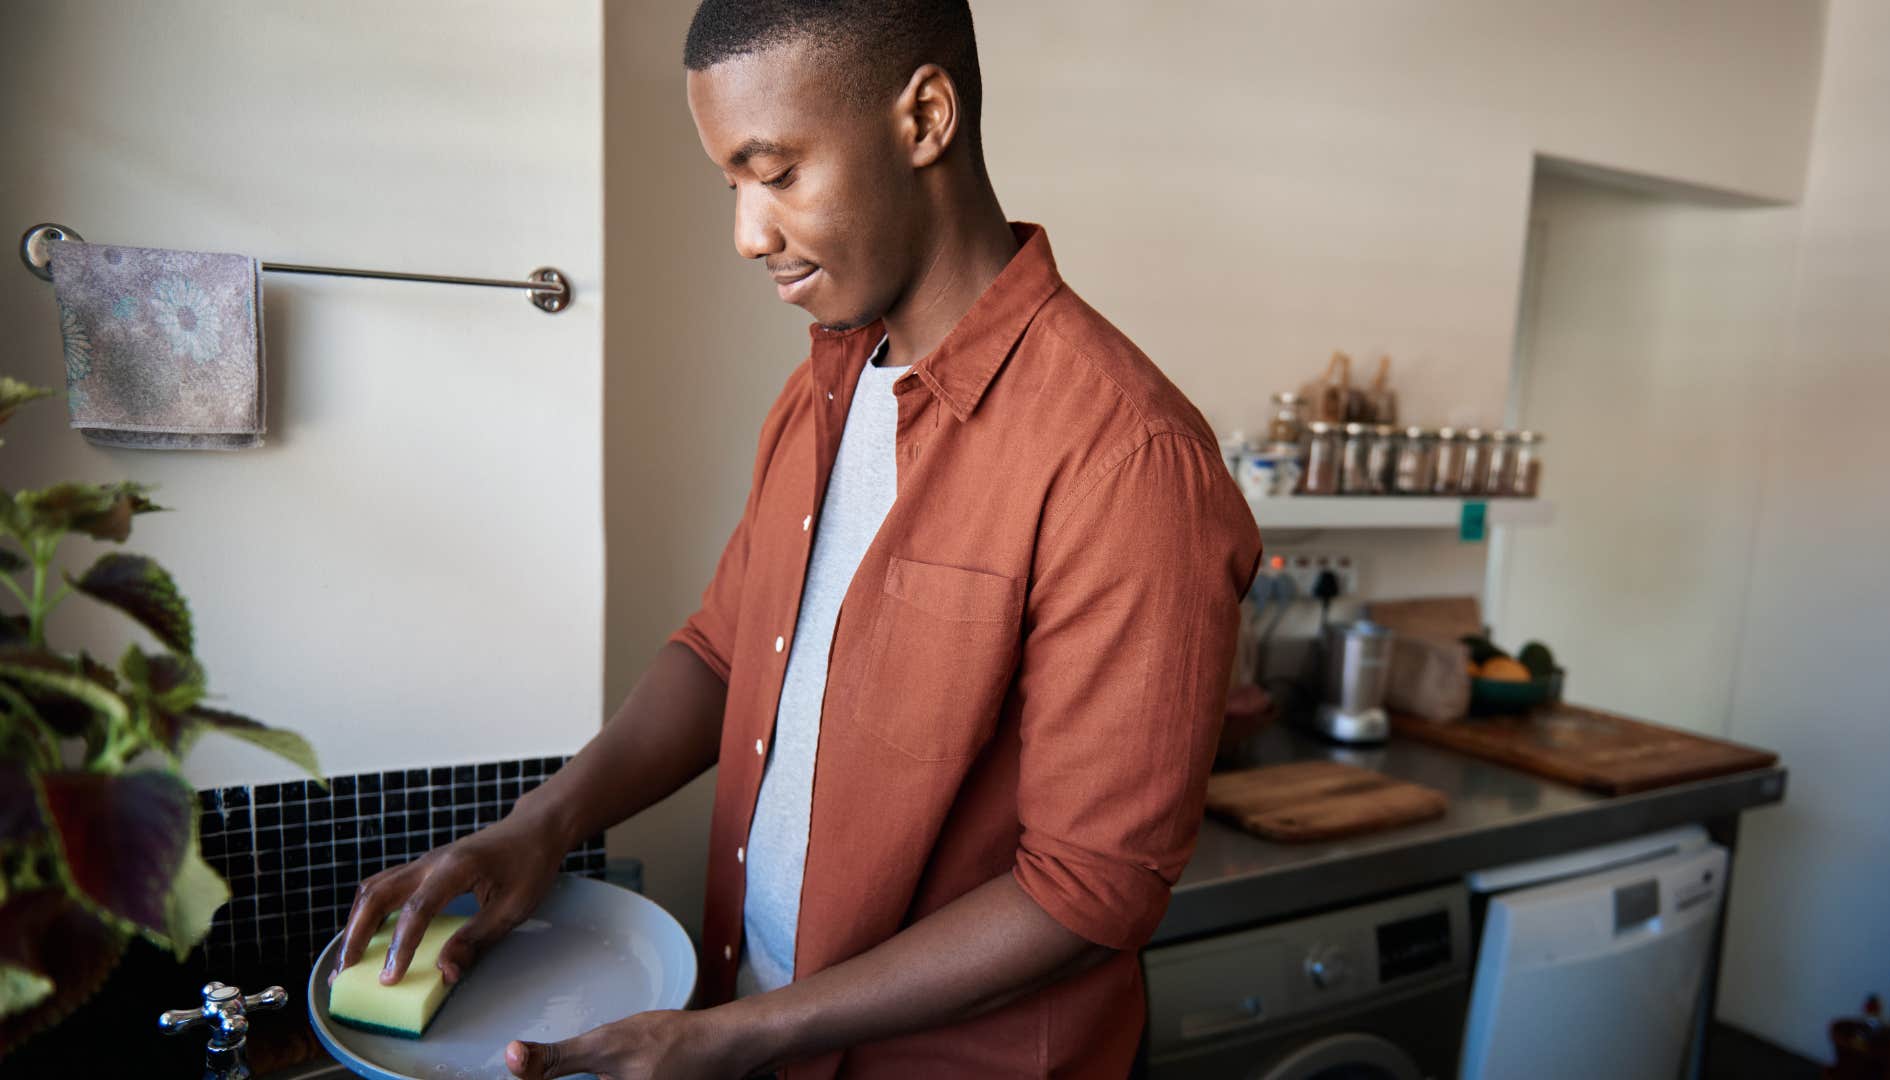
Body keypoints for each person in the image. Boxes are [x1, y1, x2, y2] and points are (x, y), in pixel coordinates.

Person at [332, 2, 1260, 1076]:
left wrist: (737, 1036)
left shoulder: (1129, 461)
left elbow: (1088, 890)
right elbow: (728, 653)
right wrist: (541, 825)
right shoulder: (822, 384)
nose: (748, 232)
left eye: (775, 174)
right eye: (732, 184)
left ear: (924, 118)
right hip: (760, 1034)